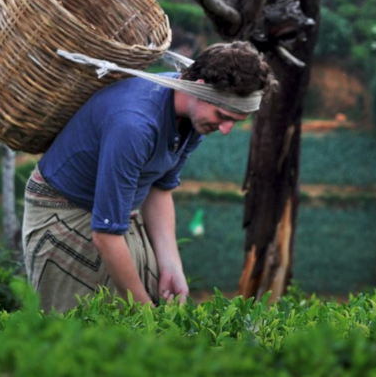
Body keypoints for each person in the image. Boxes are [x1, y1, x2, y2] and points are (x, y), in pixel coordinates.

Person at [22, 41, 274, 312]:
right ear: (199, 87)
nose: (225, 129)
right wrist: (145, 315)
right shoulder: (135, 125)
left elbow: (160, 188)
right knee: (91, 327)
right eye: (223, 116)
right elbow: (106, 235)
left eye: (234, 121)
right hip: (66, 210)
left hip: (116, 214)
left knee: (158, 303)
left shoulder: (194, 120)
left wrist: (172, 266)